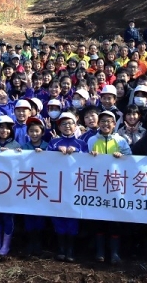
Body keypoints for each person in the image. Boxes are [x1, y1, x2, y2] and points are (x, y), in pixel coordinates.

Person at [87, 110, 131, 263]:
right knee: (99, 220)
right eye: (103, 121)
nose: (106, 124)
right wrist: (90, 156)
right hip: (97, 186)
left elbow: (130, 160)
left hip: (116, 186)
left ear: (114, 124)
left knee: (115, 221)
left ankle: (114, 253)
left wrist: (122, 157)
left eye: (109, 121)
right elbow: (84, 161)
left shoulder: (121, 141)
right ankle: (99, 252)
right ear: (98, 124)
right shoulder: (92, 140)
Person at [47, 112, 88, 262]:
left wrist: (77, 153)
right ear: (59, 127)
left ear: (76, 125)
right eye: (64, 124)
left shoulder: (82, 144)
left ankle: (71, 250)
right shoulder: (54, 143)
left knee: (72, 216)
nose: (67, 126)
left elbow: (89, 163)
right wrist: (55, 153)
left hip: (75, 186)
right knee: (58, 216)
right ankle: (61, 249)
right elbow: (45, 161)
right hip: (56, 186)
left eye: (70, 123)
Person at [0, 115, 21, 256]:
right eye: (1, 128)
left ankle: (6, 245)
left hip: (9, 188)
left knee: (7, 216)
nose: (4, 131)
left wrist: (18, 154)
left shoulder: (16, 146)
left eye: (7, 128)